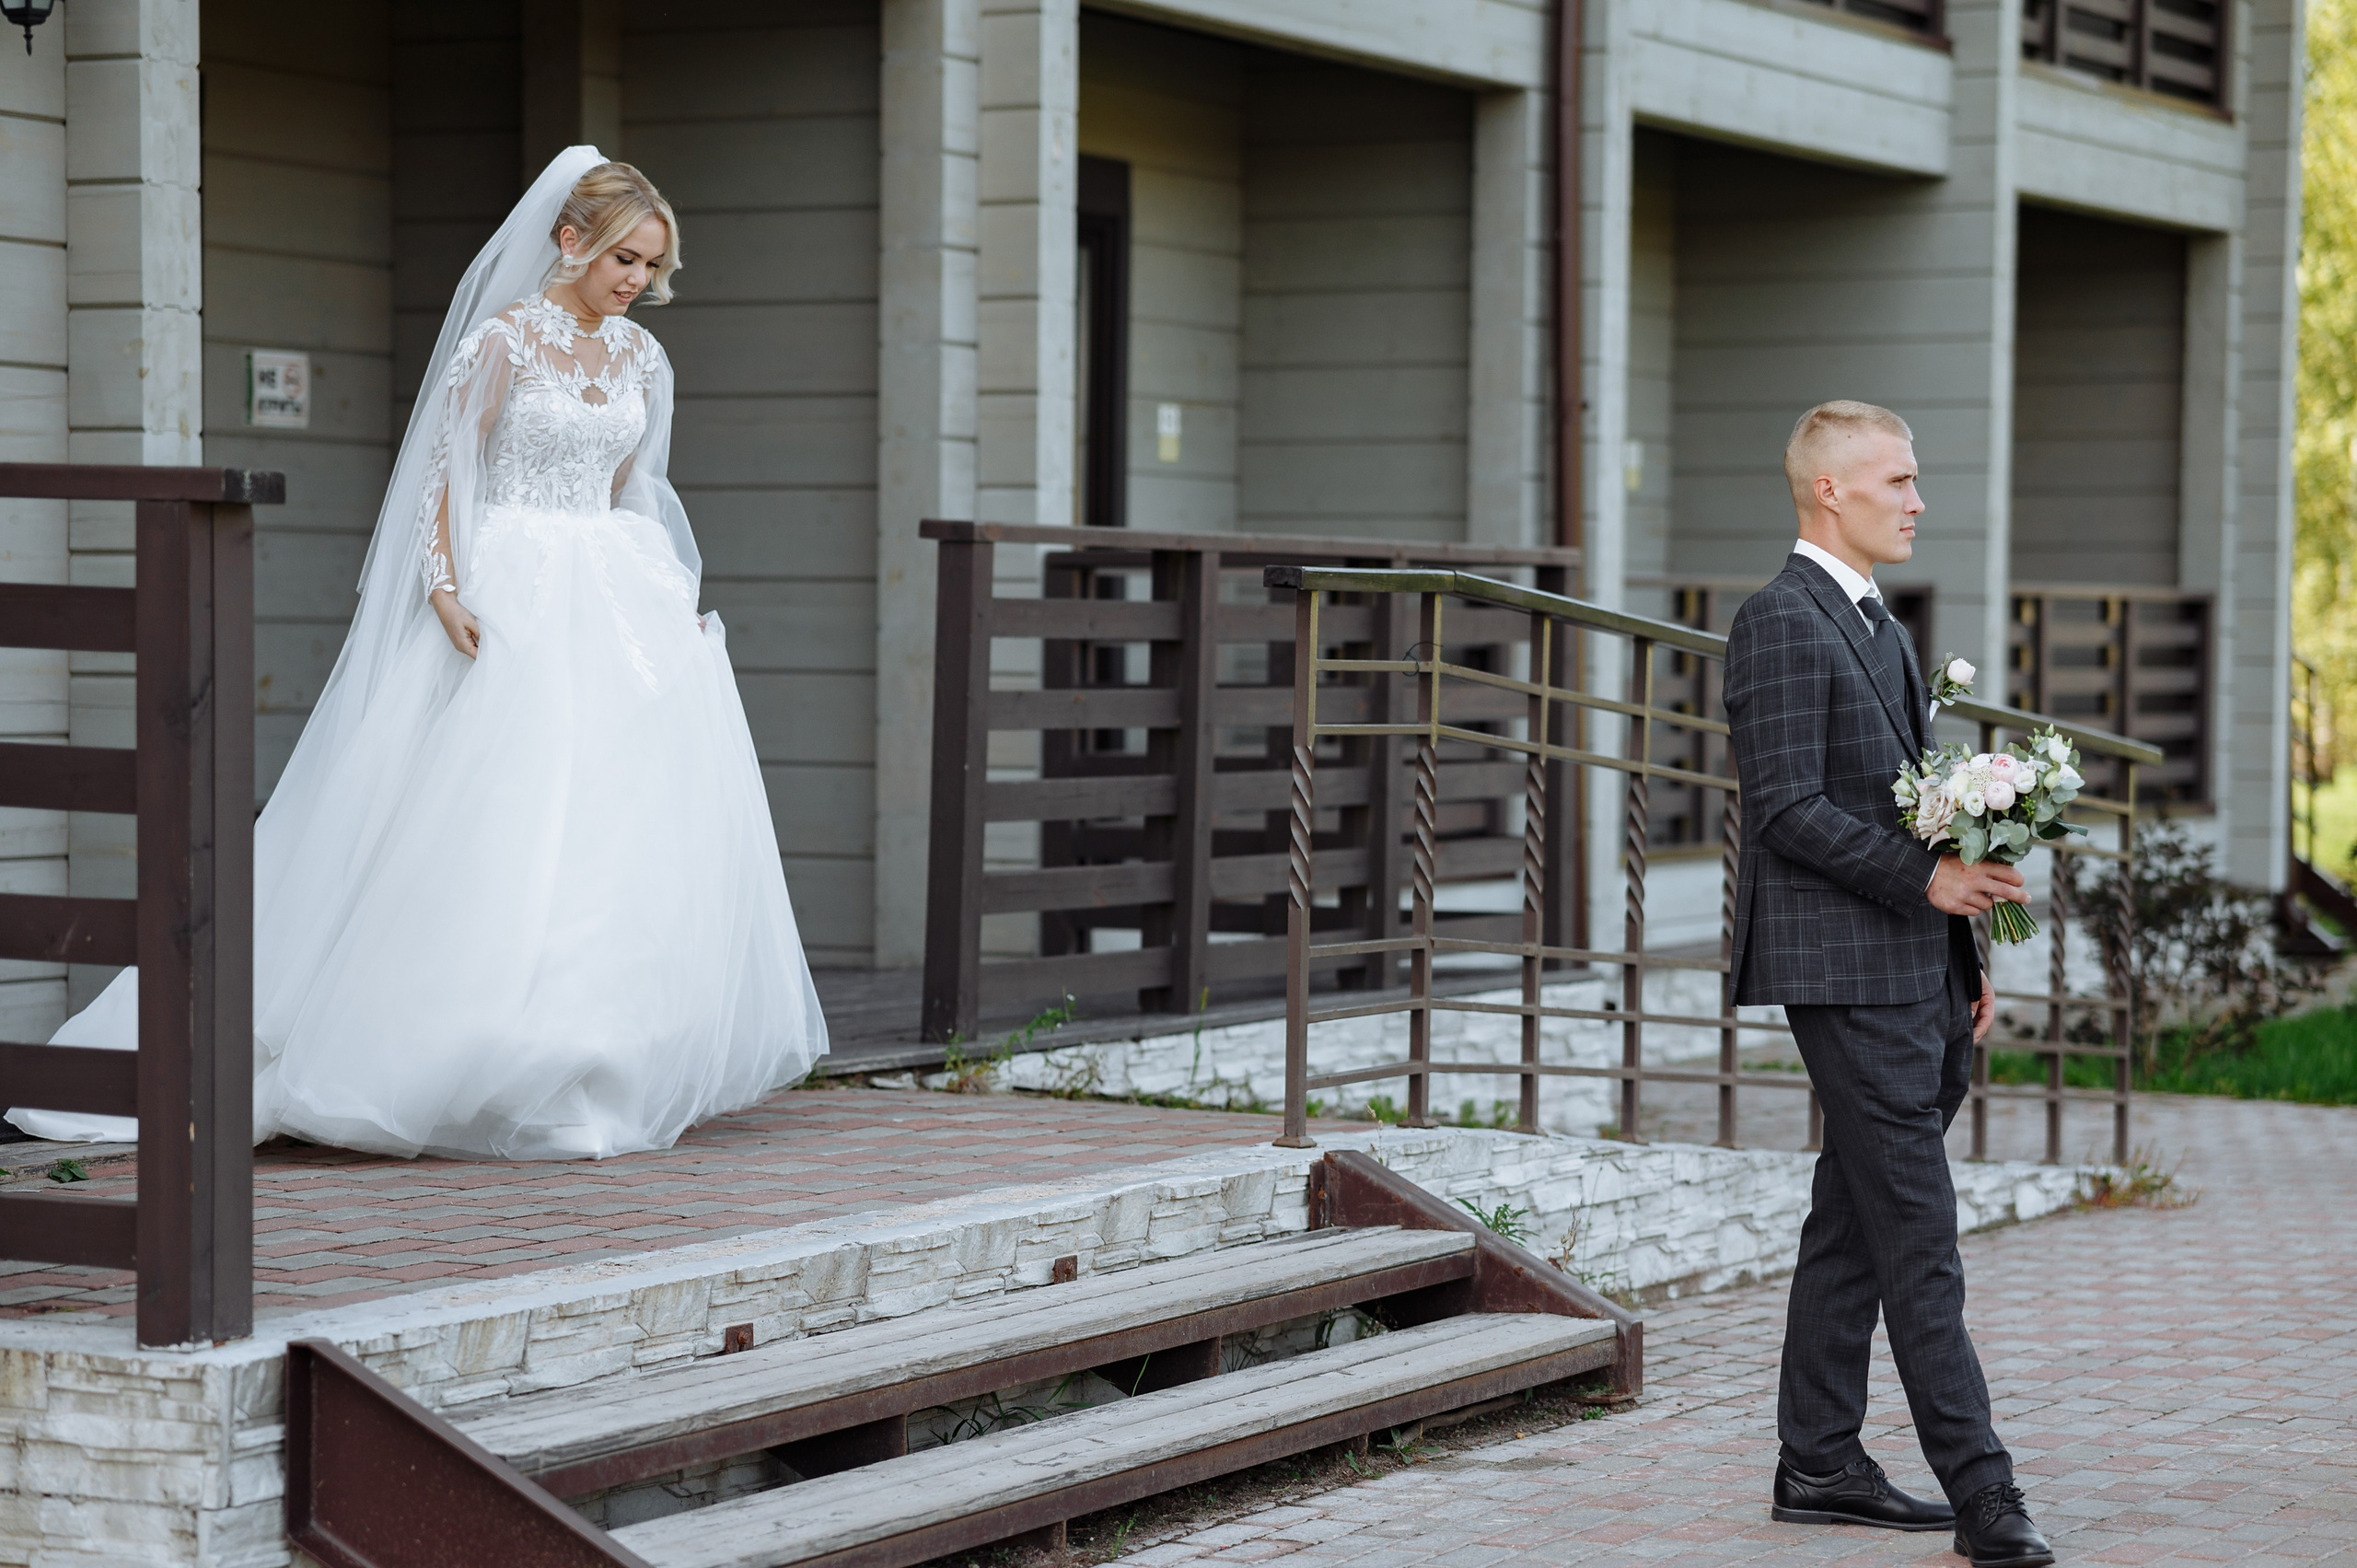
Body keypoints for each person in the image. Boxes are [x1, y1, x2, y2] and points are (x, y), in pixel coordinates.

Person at [8, 149, 830, 1160]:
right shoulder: (502, 343)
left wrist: (668, 597)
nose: (637, 282)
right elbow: (445, 470)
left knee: (611, 826)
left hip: (610, 590)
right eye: (624, 257)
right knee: (495, 813)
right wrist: (444, 585)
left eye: (651, 266)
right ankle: (438, 1045)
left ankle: (585, 1059)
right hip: (510, 582)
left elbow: (634, 487)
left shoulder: (643, 361)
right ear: (570, 239)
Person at [1722, 401, 2054, 1568]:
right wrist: (1930, 886)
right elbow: (1787, 809)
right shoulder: (1777, 620)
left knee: (1854, 1222)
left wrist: (1964, 952)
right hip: (1842, 974)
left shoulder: (1882, 626)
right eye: (1898, 479)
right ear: (1829, 490)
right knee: (1919, 1234)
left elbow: (1915, 809)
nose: (1916, 499)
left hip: (1917, 972)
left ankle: (1817, 1459)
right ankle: (1986, 1494)